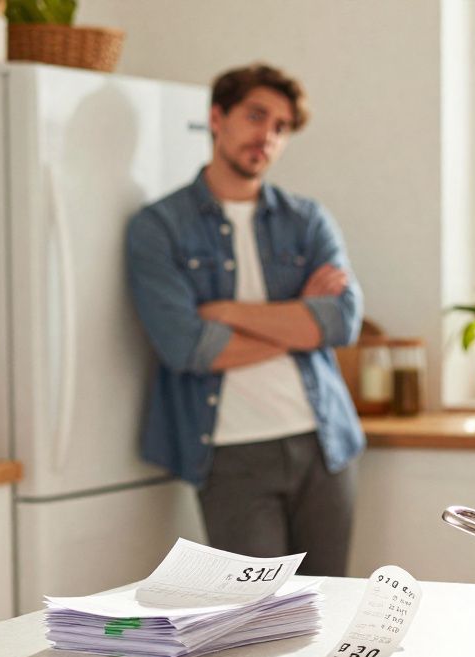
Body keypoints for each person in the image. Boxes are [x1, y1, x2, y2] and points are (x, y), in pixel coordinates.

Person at [127, 63, 365, 576]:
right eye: (256, 116)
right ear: (217, 117)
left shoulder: (307, 220)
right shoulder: (159, 227)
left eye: (280, 127)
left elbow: (342, 322)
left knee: (328, 610)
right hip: (229, 454)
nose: (267, 135)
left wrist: (228, 314)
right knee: (254, 621)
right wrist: (299, 318)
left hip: (325, 445)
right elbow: (188, 348)